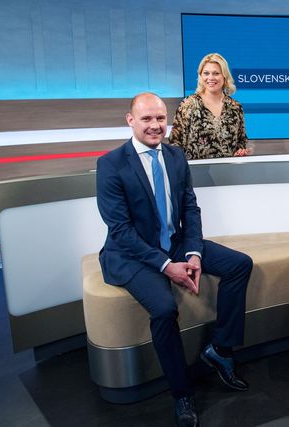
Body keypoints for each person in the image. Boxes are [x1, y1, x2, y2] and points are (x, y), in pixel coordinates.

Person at [96, 92, 253, 427]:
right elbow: (120, 231)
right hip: (132, 255)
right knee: (165, 309)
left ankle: (221, 351)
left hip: (177, 243)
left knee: (240, 264)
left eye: (160, 118)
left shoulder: (175, 156)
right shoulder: (111, 164)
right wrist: (167, 266)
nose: (155, 125)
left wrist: (193, 252)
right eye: (146, 119)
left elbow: (190, 208)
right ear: (130, 121)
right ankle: (181, 394)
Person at [169, 53, 250, 159]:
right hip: (195, 169)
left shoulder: (235, 107)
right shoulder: (188, 105)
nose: (210, 78)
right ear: (201, 76)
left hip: (228, 168)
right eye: (206, 73)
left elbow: (241, 141)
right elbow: (175, 144)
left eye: (216, 73)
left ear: (224, 76)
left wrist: (240, 151)